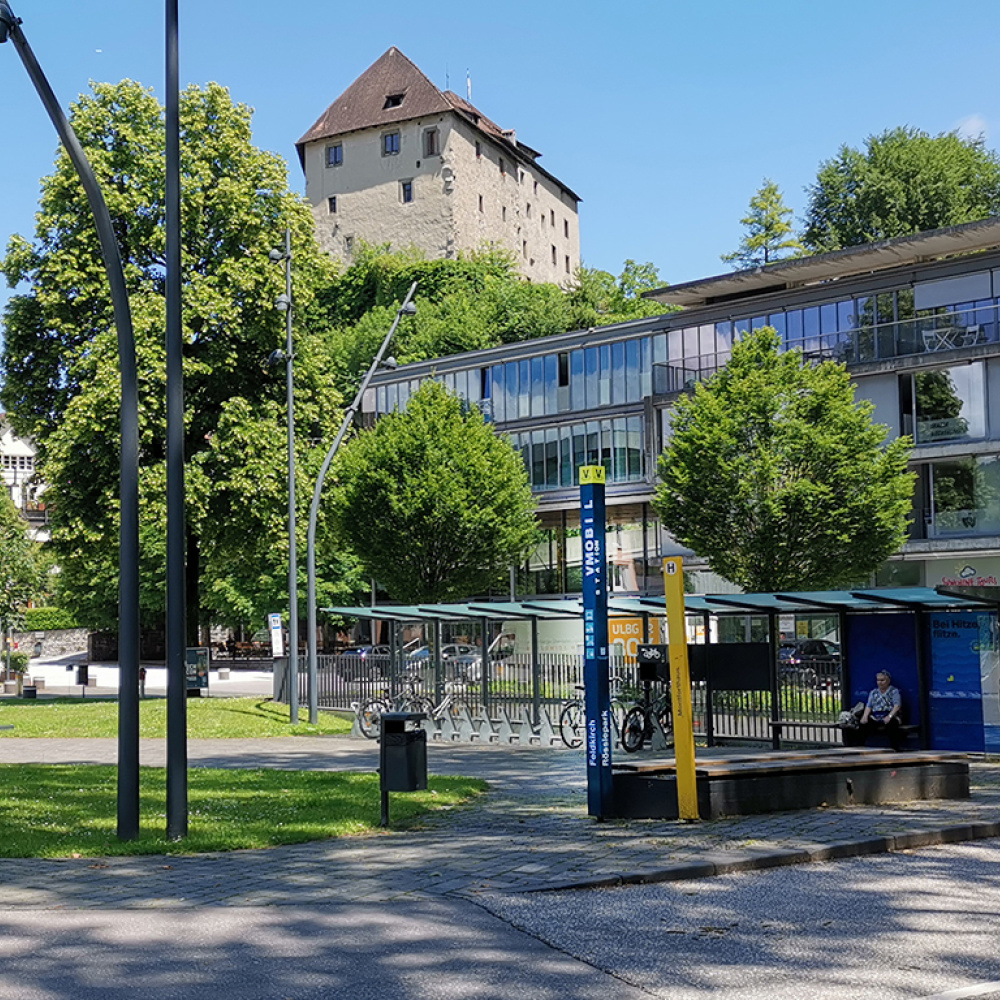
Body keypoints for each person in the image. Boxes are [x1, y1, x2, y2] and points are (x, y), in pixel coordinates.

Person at [845, 670, 904, 750]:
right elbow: (869, 706)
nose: (880, 682)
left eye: (882, 680)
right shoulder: (873, 692)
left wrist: (889, 716)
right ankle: (859, 747)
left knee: (892, 725)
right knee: (863, 724)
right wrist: (865, 716)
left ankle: (894, 748)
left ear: (888, 681)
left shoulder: (894, 691)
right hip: (876, 716)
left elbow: (897, 706)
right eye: (878, 680)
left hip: (889, 715)